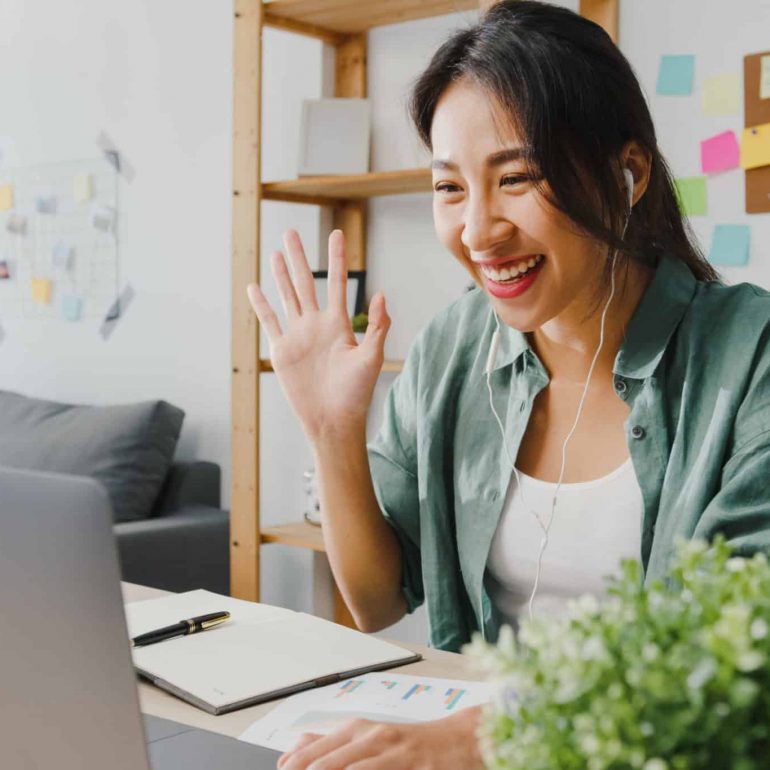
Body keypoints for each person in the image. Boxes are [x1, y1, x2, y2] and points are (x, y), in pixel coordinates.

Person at [246, 2, 770, 767]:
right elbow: (376, 600)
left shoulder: (749, 354)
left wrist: (474, 740)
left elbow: (737, 657)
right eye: (450, 188)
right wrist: (331, 430)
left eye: (517, 177)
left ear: (627, 175)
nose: (479, 231)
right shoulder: (454, 347)